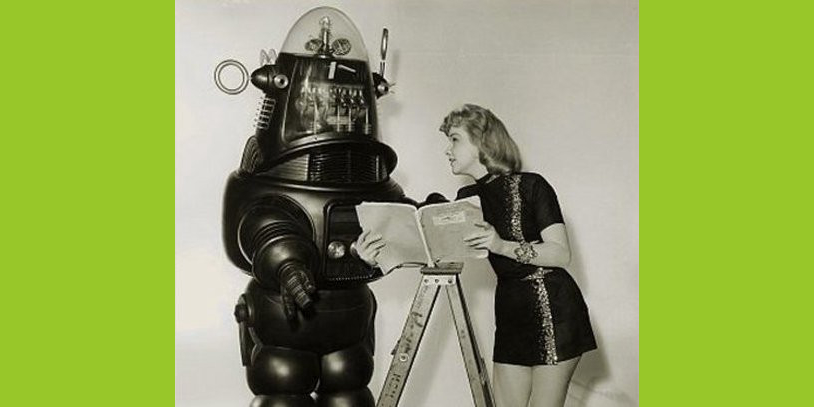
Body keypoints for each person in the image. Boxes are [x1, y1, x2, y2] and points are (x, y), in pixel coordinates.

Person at [356, 104, 597, 407]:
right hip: (511, 312)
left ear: (482, 141)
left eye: (454, 139)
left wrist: (500, 246)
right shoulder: (466, 200)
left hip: (554, 308)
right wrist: (375, 256)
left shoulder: (532, 185)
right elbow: (432, 254)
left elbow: (561, 253)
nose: (447, 150)